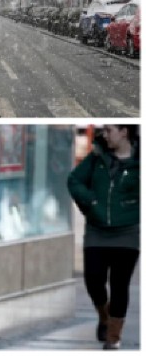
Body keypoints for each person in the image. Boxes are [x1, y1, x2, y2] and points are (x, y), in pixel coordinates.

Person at [68, 125, 140, 350]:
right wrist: (90, 202)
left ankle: (113, 338)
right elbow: (74, 181)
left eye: (109, 130)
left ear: (124, 132)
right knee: (93, 279)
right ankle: (104, 316)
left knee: (120, 285)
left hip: (127, 232)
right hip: (97, 230)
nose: (105, 135)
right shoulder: (97, 156)